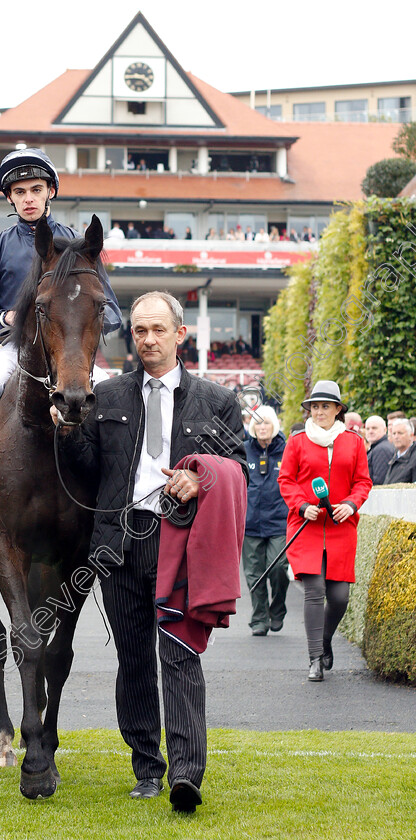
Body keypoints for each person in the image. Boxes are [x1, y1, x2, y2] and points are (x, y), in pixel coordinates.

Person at [54, 291, 248, 813]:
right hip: (119, 547)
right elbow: (88, 470)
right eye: (139, 330)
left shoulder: (217, 400)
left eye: (158, 329)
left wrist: (198, 475)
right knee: (134, 660)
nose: (148, 339)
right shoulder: (108, 395)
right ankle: (147, 770)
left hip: (180, 544)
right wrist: (69, 430)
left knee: (180, 656)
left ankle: (186, 774)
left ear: (181, 334)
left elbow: (239, 469)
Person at [0, 148, 122, 466]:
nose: (29, 198)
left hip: (73, 352)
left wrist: (82, 317)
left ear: (50, 191)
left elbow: (112, 314)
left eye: (36, 190)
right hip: (16, 350)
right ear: (10, 198)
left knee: (115, 394)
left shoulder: (80, 247)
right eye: (20, 192)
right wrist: (5, 317)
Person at [278, 380, 372, 682]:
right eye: (315, 406)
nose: (319, 411)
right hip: (306, 526)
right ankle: (315, 658)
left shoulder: (354, 442)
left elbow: (363, 482)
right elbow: (286, 480)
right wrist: (302, 505)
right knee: (315, 591)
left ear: (338, 410)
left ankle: (325, 639)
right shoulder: (297, 441)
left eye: (325, 406)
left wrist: (351, 504)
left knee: (340, 596)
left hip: (341, 527)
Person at [242, 406, 289, 636]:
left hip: (279, 521)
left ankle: (277, 609)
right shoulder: (243, 450)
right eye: (258, 423)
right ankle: (259, 618)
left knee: (279, 568)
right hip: (250, 522)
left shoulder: (287, 450)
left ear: (274, 426)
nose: (262, 427)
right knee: (254, 573)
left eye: (266, 423)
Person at [383, 418, 416, 484]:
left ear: (411, 436)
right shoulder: (394, 456)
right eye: (394, 433)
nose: (396, 437)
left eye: (400, 433)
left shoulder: (414, 458)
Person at [365, 415, 395, 485]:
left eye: (374, 428)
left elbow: (379, 481)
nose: (370, 431)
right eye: (367, 429)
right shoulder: (378, 447)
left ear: (385, 430)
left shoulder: (381, 450)